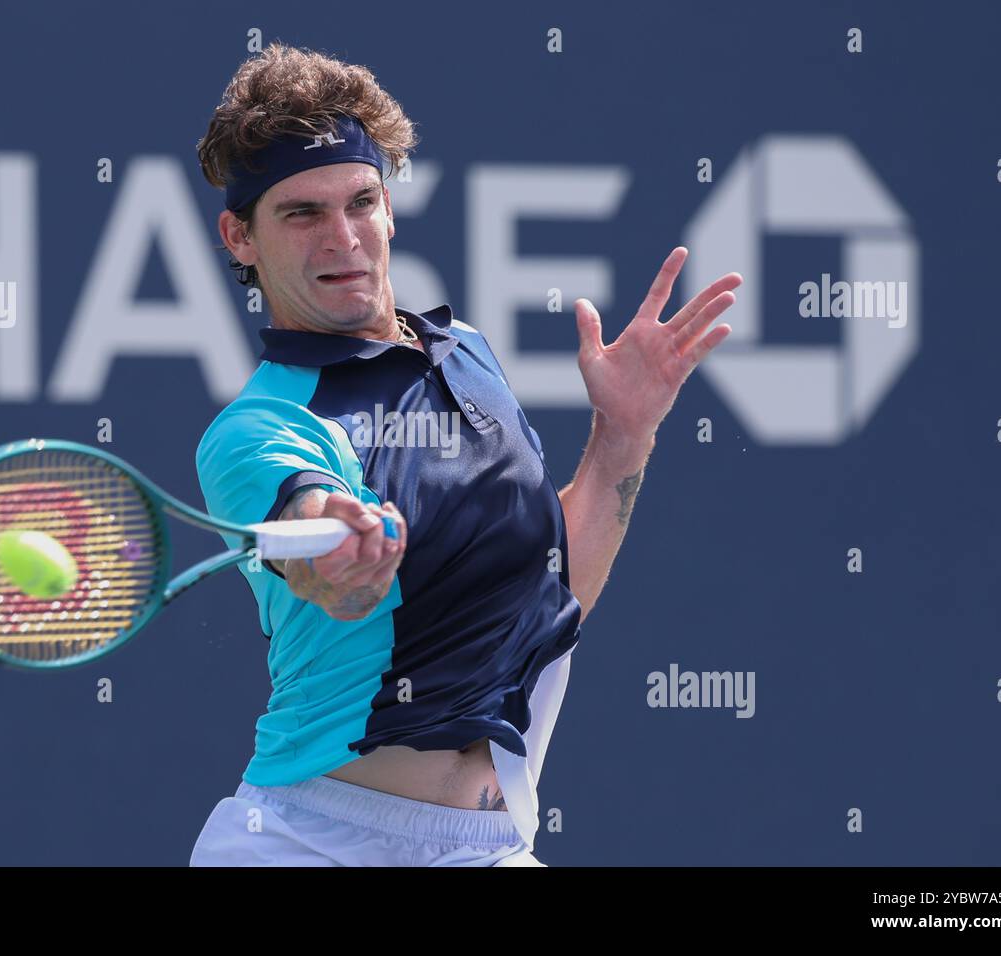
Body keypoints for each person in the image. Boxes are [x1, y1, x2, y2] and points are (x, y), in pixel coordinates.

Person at [189, 42, 740, 866]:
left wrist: (624, 434)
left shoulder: (468, 354)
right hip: (309, 845)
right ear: (241, 237)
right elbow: (312, 546)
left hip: (487, 848)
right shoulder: (255, 430)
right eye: (301, 214)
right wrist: (340, 556)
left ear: (389, 207)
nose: (342, 238)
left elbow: (547, 599)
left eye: (361, 201)